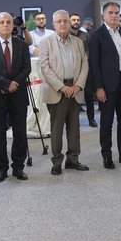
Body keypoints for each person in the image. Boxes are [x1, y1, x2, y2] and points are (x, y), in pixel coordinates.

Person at [88, 2, 121, 169]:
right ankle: (107, 156)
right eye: (110, 12)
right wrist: (99, 88)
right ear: (103, 15)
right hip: (107, 85)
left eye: (117, 13)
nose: (114, 15)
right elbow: (94, 64)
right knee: (106, 123)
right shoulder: (96, 36)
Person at [39, 10, 90, 175]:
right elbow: (45, 67)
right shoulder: (46, 43)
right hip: (57, 91)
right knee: (56, 129)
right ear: (53, 24)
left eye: (65, 21)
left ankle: (73, 160)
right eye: (59, 21)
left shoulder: (78, 42)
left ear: (69, 23)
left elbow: (85, 65)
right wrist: (62, 87)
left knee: (74, 128)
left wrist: (78, 86)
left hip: (75, 90)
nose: (62, 24)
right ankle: (56, 162)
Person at [0, 12, 31, 183]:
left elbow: (27, 68)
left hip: (18, 95)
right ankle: (1, 169)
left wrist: (14, 84)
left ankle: (18, 167)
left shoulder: (22, 45)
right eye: (2, 22)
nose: (5, 25)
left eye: (8, 22)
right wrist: (5, 85)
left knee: (20, 134)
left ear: (13, 25)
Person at [70, 12, 97, 127]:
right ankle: (73, 121)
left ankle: (91, 119)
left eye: (77, 20)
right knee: (73, 97)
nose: (76, 22)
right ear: (69, 21)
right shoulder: (66, 35)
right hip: (71, 71)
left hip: (86, 70)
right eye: (73, 20)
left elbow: (90, 51)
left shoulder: (86, 35)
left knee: (89, 96)